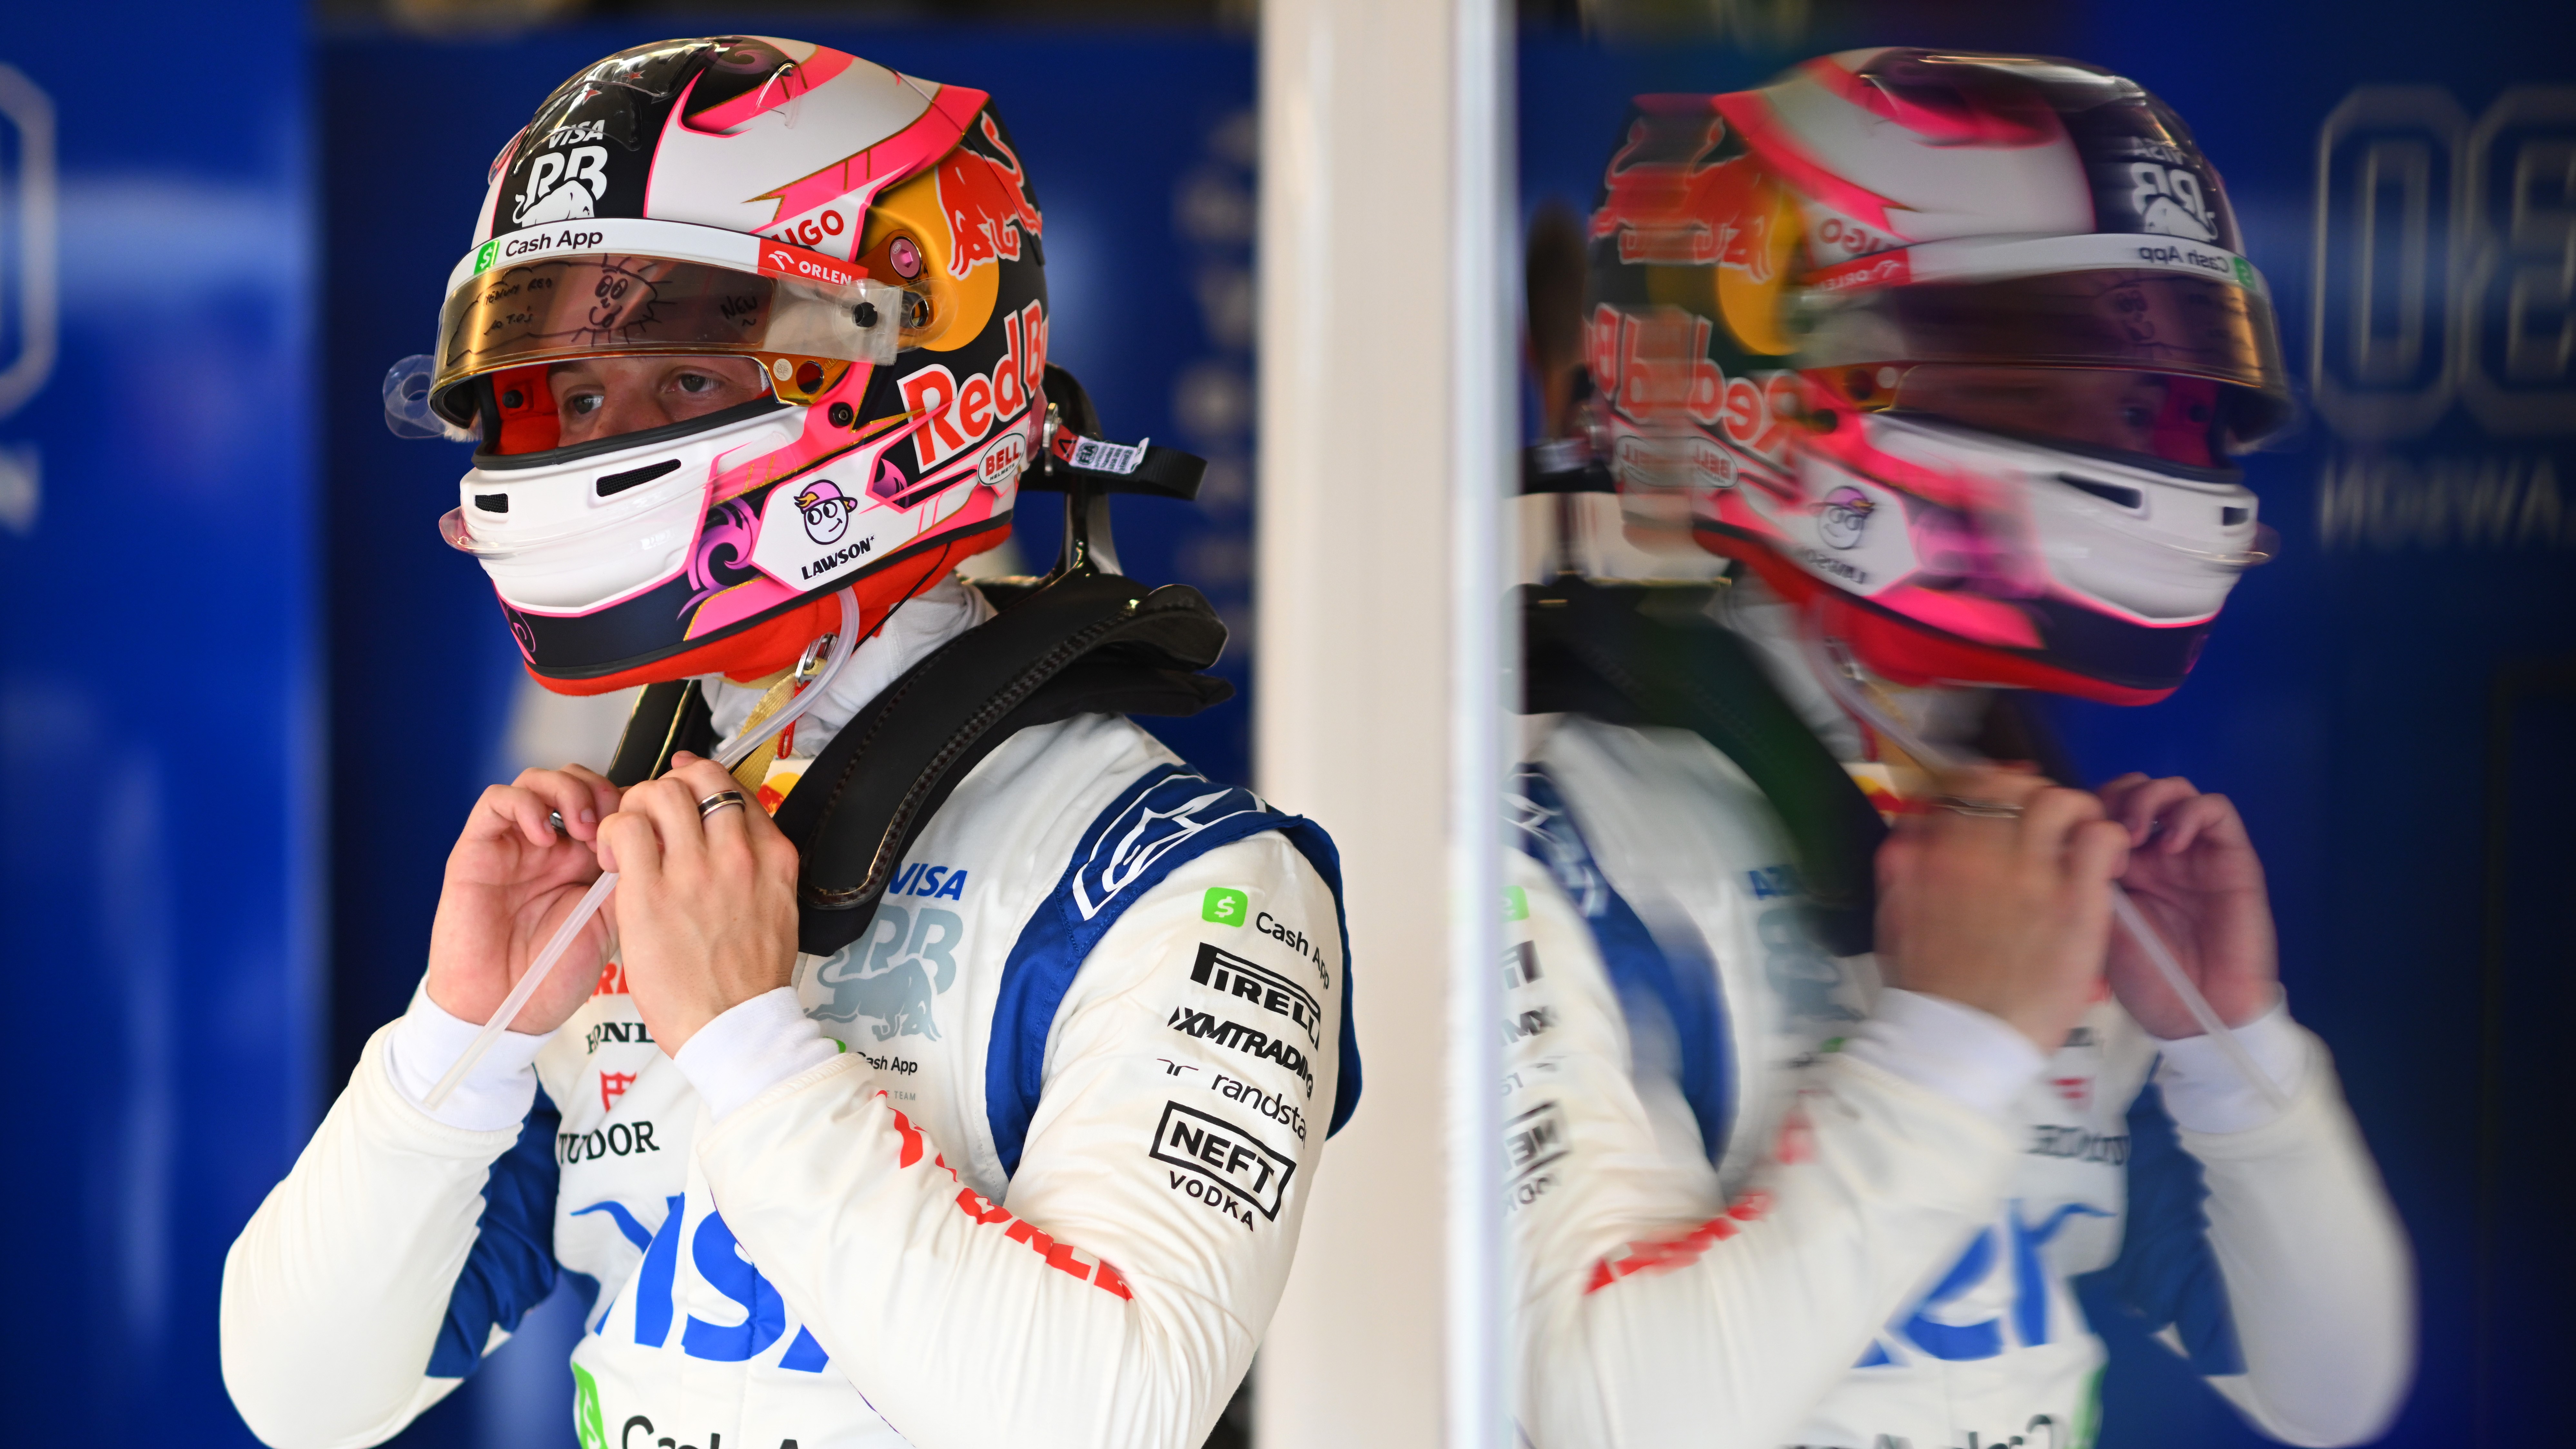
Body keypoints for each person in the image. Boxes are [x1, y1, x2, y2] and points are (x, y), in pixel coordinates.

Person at [221, 36, 1356, 1449]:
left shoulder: (1187, 880)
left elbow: (1109, 1412)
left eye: (684, 380)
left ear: (915, 353)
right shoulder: (631, 852)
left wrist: (750, 1042)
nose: (599, 439)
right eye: (574, 394)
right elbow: (301, 1389)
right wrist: (460, 1032)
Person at [1505, 49, 2413, 1448]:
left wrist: (2236, 1046)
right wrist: (1952, 1046)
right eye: (2064, 370)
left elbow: (2329, 1383)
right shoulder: (1535, 835)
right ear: (1774, 370)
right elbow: (1589, 1417)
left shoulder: (2026, 832)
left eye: (2169, 397)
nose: (2147, 436)